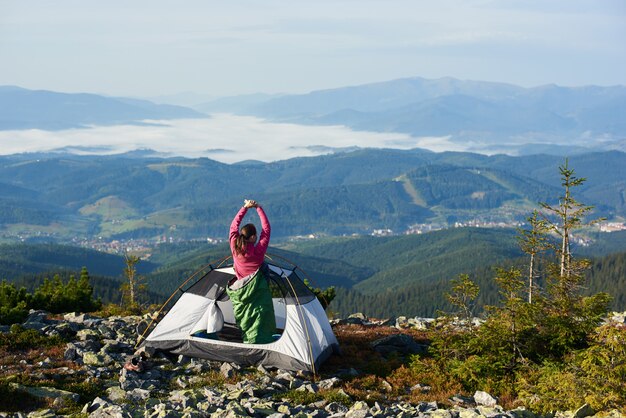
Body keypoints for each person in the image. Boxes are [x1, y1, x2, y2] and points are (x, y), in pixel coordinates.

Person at [226, 199, 276, 344]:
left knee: (246, 318)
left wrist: (245, 207)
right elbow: (266, 230)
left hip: (240, 289)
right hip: (257, 288)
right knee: (264, 268)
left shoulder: (234, 246)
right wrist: (258, 208)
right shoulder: (258, 251)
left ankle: (247, 339)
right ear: (253, 237)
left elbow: (233, 227)